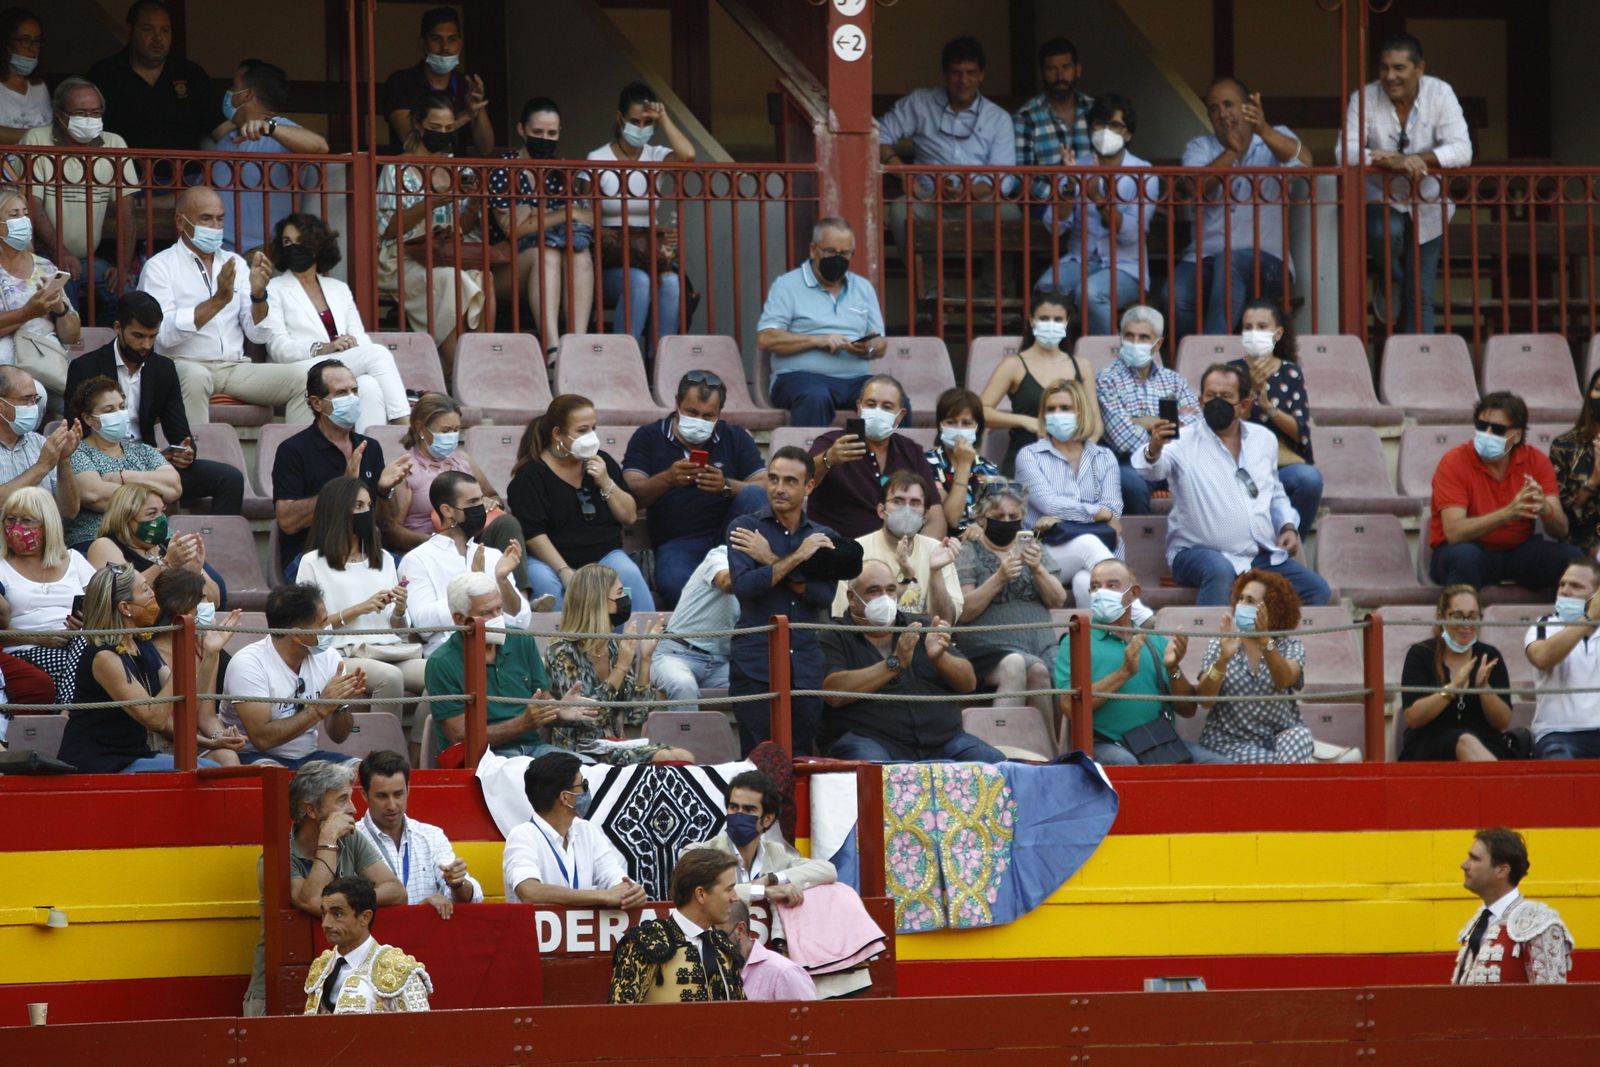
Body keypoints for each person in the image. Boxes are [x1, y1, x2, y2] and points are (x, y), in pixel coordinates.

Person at [1136, 362, 1329, 608]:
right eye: (1210, 395)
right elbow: (1150, 469)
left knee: (1316, 590)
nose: (1217, 401)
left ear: (1244, 405)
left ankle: (1274, 646)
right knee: (1219, 569)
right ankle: (1212, 645)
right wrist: (1154, 448)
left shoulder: (1264, 439)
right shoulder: (1182, 442)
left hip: (1256, 557)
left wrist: (1288, 526)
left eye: (1226, 396)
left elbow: (1275, 493)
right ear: (1200, 401)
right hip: (1196, 554)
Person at [242, 759, 405, 1016]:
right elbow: (313, 901)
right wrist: (327, 840)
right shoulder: (276, 860)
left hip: (344, 982)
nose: (352, 809)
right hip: (278, 991)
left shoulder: (351, 839)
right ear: (310, 809)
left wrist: (353, 902)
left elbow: (396, 890)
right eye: (341, 800)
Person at [137, 186, 311, 427]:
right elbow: (162, 337)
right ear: (180, 222)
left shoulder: (235, 263)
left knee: (304, 379)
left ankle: (295, 463)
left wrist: (259, 296)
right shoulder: (160, 267)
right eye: (206, 219)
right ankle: (196, 458)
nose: (215, 227)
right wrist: (218, 300)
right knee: (195, 377)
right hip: (182, 364)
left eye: (220, 219)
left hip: (233, 368)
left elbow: (258, 334)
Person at [727, 446, 859, 755]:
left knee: (800, 761)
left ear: (809, 486)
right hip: (755, 664)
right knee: (757, 762)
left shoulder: (824, 537)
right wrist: (799, 557)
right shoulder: (745, 528)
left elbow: (822, 596)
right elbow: (745, 587)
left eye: (789, 481)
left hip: (805, 666)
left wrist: (771, 560)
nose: (779, 488)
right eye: (773, 479)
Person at [1339, 33, 1471, 334]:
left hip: (1427, 204)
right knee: (1384, 230)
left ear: (1419, 68)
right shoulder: (1364, 97)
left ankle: (1420, 373)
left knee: (1421, 297)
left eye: (1399, 68)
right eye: (1384, 68)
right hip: (1381, 198)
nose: (1390, 76)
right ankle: (1393, 280)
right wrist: (1389, 160)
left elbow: (1463, 150)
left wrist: (1414, 158)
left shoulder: (1440, 93)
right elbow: (1344, 151)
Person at [66, 292, 245, 514]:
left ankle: (221, 548)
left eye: (153, 337)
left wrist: (185, 452)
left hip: (149, 460)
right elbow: (75, 431)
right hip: (100, 464)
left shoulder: (163, 369)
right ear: (118, 327)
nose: (146, 345)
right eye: (138, 336)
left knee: (230, 479)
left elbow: (179, 433)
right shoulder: (85, 367)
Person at [820, 558, 1000, 763]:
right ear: (852, 598)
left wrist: (940, 658)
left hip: (942, 741)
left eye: (890, 590)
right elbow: (832, 692)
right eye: (874, 591)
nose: (885, 598)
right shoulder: (834, 635)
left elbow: (968, 683)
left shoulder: (921, 626)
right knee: (876, 770)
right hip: (872, 740)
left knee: (993, 763)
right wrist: (894, 663)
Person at [56, 562, 230, 773]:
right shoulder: (105, 656)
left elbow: (187, 703)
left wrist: (211, 654)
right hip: (102, 762)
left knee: (214, 768)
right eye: (146, 589)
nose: (153, 595)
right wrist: (183, 656)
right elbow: (154, 719)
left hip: (134, 755)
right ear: (125, 607)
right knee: (207, 773)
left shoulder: (141, 644)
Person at [1170, 78, 1311, 338]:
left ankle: (1212, 353)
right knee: (1175, 294)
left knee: (1230, 264)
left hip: (1267, 260)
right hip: (1205, 257)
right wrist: (1232, 154)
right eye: (1214, 108)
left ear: (1247, 107)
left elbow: (1305, 164)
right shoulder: (1200, 147)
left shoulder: (1276, 136)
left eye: (1228, 105)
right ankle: (1190, 355)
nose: (1222, 114)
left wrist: (1263, 129)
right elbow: (1195, 188)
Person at [1054, 558, 1227, 765]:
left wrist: (1173, 669)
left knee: (1217, 764)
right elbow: (1069, 707)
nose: (1101, 592)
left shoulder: (1155, 641)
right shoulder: (1076, 641)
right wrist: (1123, 673)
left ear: (1134, 593)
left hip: (1156, 743)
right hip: (1104, 744)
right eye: (1095, 587)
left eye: (1112, 586)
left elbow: (1187, 710)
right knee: (1127, 765)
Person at [878, 35, 1018, 287]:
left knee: (1009, 214)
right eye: (956, 72)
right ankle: (928, 291)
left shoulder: (998, 118)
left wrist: (969, 191)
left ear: (982, 75)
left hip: (979, 202)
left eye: (970, 72)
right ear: (945, 74)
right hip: (928, 199)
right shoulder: (920, 103)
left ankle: (996, 296)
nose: (963, 80)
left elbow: (1005, 181)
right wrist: (904, 175)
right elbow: (878, 136)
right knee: (900, 211)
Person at [622, 370, 767, 607]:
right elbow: (629, 492)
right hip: (678, 542)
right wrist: (668, 478)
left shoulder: (735, 437)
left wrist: (727, 486)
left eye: (708, 416)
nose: (699, 420)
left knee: (753, 494)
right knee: (674, 584)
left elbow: (766, 486)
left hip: (730, 539)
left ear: (720, 414)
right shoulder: (648, 436)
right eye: (692, 412)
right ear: (677, 403)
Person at [263, 213, 410, 432]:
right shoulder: (274, 288)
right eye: (287, 242)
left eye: (300, 241)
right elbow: (278, 348)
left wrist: (351, 344)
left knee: (369, 385)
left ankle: (367, 458)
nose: (293, 247)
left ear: (317, 246)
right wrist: (323, 348)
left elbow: (360, 337)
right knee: (377, 354)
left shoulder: (338, 288)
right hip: (297, 369)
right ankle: (405, 430)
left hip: (339, 366)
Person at [375, 92, 490, 367]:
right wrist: (430, 203)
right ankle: (455, 370)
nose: (442, 134)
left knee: (483, 277)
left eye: (449, 129)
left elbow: (463, 228)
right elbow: (389, 230)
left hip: (443, 254)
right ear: (418, 124)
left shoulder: (457, 167)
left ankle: (477, 366)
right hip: (401, 259)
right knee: (452, 280)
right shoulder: (397, 168)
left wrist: (474, 203)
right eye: (435, 128)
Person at [508, 393, 652, 611]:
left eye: (594, 428)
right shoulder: (530, 476)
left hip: (604, 556)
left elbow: (629, 515)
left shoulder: (602, 461)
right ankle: (561, 644)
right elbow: (534, 534)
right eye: (582, 430)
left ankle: (642, 643)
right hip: (550, 561)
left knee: (629, 574)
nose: (591, 436)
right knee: (547, 585)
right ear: (558, 434)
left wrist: (605, 482)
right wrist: (564, 571)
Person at [272, 359, 412, 577]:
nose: (352, 399)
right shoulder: (293, 450)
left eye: (354, 391)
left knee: (415, 576)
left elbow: (385, 523)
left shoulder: (370, 448)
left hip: (365, 554)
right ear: (317, 403)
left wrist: (383, 490)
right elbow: (288, 522)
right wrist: (343, 486)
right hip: (312, 558)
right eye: (341, 393)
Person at [1429, 391, 1580, 592]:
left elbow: (1560, 530)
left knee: (1573, 560)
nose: (1487, 434)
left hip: (1518, 551)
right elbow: (1454, 533)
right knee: (1464, 557)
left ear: (1516, 435)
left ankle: (1567, 622)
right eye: (1482, 426)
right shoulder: (1454, 461)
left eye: (1497, 429)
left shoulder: (1536, 461)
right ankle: (1460, 622)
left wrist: (1545, 509)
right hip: (1466, 549)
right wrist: (1509, 513)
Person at [294, 477, 421, 715]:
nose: (365, 512)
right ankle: (386, 748)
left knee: (440, 674)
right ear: (337, 511)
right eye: (358, 506)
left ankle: (417, 748)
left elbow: (400, 630)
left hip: (390, 650)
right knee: (390, 678)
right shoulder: (312, 563)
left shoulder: (383, 559)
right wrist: (360, 608)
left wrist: (399, 610)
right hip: (344, 653)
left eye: (368, 506)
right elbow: (308, 629)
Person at [545, 563, 693, 764]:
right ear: (599, 602)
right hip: (579, 747)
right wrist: (621, 667)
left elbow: (637, 714)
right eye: (620, 593)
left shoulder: (614, 645)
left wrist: (645, 660)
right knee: (666, 758)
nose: (626, 599)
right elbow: (589, 717)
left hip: (615, 744)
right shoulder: (562, 649)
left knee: (684, 756)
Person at [17, 76, 137, 323]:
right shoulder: (36, 139)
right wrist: (60, 252)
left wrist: (123, 266)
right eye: (81, 113)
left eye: (95, 113)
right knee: (65, 296)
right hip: (45, 255)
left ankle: (103, 352)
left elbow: (127, 211)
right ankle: (71, 356)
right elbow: (32, 204)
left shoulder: (114, 144)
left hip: (88, 259)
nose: (89, 119)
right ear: (59, 114)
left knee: (127, 298)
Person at [424, 571, 581, 758]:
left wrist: (560, 711)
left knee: (585, 769)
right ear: (460, 619)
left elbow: (543, 701)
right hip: (483, 759)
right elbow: (460, 737)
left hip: (534, 751)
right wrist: (522, 724)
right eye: (486, 613)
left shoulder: (521, 640)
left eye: (499, 609)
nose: (498, 617)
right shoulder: (442, 663)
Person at [1037, 93, 1157, 336]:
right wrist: (1069, 187)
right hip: (1080, 260)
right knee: (1046, 289)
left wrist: (1099, 199)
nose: (1106, 131)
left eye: (1115, 125)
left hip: (1126, 267)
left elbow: (1132, 235)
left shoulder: (1144, 174)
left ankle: (1108, 359)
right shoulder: (1076, 167)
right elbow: (1054, 226)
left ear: (1128, 133)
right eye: (1100, 124)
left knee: (1090, 293)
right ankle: (1056, 364)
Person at [587, 81, 696, 347]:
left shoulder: (655, 156)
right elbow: (587, 217)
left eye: (648, 123)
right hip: (610, 260)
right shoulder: (597, 159)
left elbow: (688, 155)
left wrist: (664, 117)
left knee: (671, 284)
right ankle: (626, 361)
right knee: (638, 281)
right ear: (620, 118)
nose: (642, 129)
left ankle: (661, 364)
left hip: (647, 256)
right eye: (635, 121)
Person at [489, 96, 595, 357]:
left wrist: (540, 216)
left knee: (579, 251)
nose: (544, 139)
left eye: (551, 133)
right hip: (503, 266)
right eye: (537, 132)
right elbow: (514, 228)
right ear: (521, 130)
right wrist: (565, 212)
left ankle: (577, 346)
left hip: (553, 267)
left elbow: (589, 218)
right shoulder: (505, 168)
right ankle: (552, 349)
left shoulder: (561, 171)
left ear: (560, 133)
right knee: (546, 252)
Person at [756, 217, 888, 427]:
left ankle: (891, 459)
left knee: (891, 398)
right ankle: (812, 459)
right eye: (830, 251)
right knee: (815, 396)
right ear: (813, 250)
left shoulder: (863, 288)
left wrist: (867, 348)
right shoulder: (787, 285)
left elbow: (881, 342)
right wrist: (818, 341)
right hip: (800, 378)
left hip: (856, 379)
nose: (838, 259)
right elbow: (766, 338)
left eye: (845, 254)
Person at [221, 582, 370, 768]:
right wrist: (320, 708)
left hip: (309, 757)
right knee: (273, 775)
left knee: (362, 772)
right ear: (298, 636)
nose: (329, 627)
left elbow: (339, 736)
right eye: (323, 622)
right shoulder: (248, 664)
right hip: (254, 756)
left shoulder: (330, 658)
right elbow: (262, 739)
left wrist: (340, 705)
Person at [955, 481, 1067, 724]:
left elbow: (1058, 598)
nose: (1006, 521)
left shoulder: (1034, 548)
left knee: (1067, 668)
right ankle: (1044, 748)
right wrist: (1000, 577)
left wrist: (1037, 569)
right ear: (982, 518)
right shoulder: (968, 550)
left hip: (1044, 645)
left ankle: (1072, 746)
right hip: (992, 646)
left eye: (1013, 516)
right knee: (1036, 670)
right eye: (998, 516)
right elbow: (965, 611)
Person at [1014, 377, 1126, 608]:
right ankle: (1137, 616)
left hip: (1101, 548)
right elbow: (1050, 505)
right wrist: (1097, 513)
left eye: (1065, 408)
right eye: (1051, 409)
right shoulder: (1029, 456)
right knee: (1086, 542)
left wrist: (1065, 517)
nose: (1057, 414)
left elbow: (1113, 509)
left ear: (1081, 412)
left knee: (1086, 583)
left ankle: (1096, 642)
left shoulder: (1104, 457)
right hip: (1042, 552)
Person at [399, 471, 529, 658]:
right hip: (451, 655)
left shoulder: (492, 555)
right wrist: (473, 583)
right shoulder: (418, 559)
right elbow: (423, 624)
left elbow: (521, 619)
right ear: (447, 510)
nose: (480, 508)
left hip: (501, 652)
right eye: (472, 503)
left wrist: (503, 581)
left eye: (480, 501)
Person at [208, 59, 330, 256]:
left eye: (234, 87)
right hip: (218, 254)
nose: (228, 93)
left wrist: (270, 128)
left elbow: (320, 147)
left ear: (246, 95)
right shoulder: (224, 142)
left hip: (267, 254)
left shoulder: (280, 132)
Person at [1193, 568, 1313, 764]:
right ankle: (1287, 787)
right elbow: (1205, 700)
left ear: (1272, 608)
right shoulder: (1221, 643)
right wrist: (1223, 659)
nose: (1241, 605)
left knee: (1300, 735)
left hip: (1277, 740)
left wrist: (1264, 639)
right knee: (1280, 766)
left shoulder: (1291, 645)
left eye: (1249, 601)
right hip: (1228, 743)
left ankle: (1284, 785)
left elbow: (1283, 679)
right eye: (1240, 599)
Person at [806, 375, 944, 542]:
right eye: (871, 405)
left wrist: (919, 555)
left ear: (900, 415)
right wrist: (829, 459)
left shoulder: (911, 452)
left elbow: (935, 517)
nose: (877, 412)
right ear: (859, 407)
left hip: (898, 556)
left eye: (887, 407)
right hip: (838, 554)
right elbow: (802, 483)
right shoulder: (830, 443)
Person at [502, 750, 648, 907]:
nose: (587, 790)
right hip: (534, 931)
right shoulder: (523, 836)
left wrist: (632, 892)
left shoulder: (586, 830)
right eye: (583, 785)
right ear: (565, 797)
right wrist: (601, 896)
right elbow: (531, 892)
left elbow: (616, 879)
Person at [1229, 298, 1321, 534]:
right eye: (1248, 328)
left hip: (1283, 464)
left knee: (1309, 479)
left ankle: (1293, 544)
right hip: (1240, 464)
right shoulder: (1230, 372)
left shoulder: (1290, 372)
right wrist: (1250, 391)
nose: (1254, 333)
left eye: (1262, 327)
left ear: (1277, 334)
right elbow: (1226, 425)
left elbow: (1300, 432)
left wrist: (1269, 407)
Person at [684, 771, 837, 911]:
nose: (739, 815)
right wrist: (764, 890)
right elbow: (712, 894)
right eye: (733, 807)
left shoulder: (776, 853)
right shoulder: (701, 853)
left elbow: (827, 870)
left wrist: (772, 879)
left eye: (749, 810)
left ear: (767, 819)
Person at [1097, 304, 1199, 515]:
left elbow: (1195, 423)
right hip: (1132, 464)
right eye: (1129, 336)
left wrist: (1142, 421)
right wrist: (1166, 428)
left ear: (1158, 343)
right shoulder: (1106, 380)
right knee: (1128, 483)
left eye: (1143, 338)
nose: (1135, 343)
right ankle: (1138, 547)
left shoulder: (1174, 381)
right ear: (1120, 338)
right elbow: (1122, 438)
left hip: (1174, 460)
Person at [608, 849, 745, 1004]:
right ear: (701, 894)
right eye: (729, 889)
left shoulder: (723, 947)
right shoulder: (646, 943)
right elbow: (620, 1017)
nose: (735, 897)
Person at [386, 393, 518, 554]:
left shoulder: (463, 461)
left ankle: (512, 579)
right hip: (429, 549)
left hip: (473, 543)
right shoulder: (406, 470)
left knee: (507, 524)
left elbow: (494, 496)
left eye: (456, 430)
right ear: (421, 428)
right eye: (445, 430)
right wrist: (436, 541)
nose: (452, 436)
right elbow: (392, 531)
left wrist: (490, 502)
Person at [356, 750, 482, 916]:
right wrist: (418, 911)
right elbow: (349, 905)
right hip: (376, 938)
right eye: (382, 796)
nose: (392, 805)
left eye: (398, 794)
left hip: (427, 938)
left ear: (408, 789)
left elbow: (473, 897)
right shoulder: (351, 838)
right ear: (364, 794)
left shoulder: (431, 835)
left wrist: (457, 883)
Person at [979, 292, 1090, 476]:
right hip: (1024, 461)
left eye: (1057, 319)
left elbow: (1094, 420)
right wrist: (1024, 421)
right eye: (1044, 318)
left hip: (1073, 462)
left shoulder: (1082, 366)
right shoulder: (1013, 365)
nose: (1050, 324)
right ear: (1031, 321)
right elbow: (980, 411)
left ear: (1067, 322)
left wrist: (1083, 459)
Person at [1399, 584, 1514, 762]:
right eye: (1458, 616)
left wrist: (1483, 688)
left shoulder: (1489, 656)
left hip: (1485, 744)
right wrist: (1452, 688)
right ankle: (1502, 789)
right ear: (1441, 617)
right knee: (1464, 741)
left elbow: (1503, 721)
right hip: (1429, 747)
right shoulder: (1420, 654)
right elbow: (1413, 717)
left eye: (1473, 616)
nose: (1466, 624)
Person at [828, 471, 963, 622]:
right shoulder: (855, 551)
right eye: (897, 501)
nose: (906, 509)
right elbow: (843, 619)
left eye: (915, 503)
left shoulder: (937, 552)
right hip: (867, 643)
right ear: (881, 511)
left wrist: (935, 572)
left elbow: (945, 622)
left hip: (924, 642)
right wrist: (905, 577)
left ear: (924, 516)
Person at [65, 375, 180, 547]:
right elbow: (95, 496)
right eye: (109, 410)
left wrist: (122, 476)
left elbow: (174, 487)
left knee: (200, 571)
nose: (118, 414)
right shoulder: (77, 452)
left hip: (156, 538)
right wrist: (153, 493)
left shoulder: (143, 450)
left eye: (122, 407)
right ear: (88, 418)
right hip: (100, 540)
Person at [85, 1, 217, 150]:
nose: (158, 38)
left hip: (187, 171)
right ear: (130, 31)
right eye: (148, 29)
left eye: (165, 30)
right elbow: (88, 134)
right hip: (124, 170)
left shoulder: (191, 73)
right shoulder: (105, 74)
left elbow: (219, 128)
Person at [0, 485, 94, 696]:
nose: (16, 528)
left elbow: (103, 606)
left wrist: (87, 620)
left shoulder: (74, 560)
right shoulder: (1, 567)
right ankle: (67, 713)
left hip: (77, 642)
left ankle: (66, 714)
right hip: (25, 649)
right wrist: (40, 638)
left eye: (26, 521)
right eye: (10, 519)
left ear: (48, 525)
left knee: (89, 648)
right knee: (89, 668)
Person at [1451, 828, 1572, 985]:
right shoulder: (1479, 919)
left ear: (1502, 870)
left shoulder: (1539, 924)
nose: (1464, 865)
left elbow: (1550, 1001)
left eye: (1474, 859)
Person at [149, 565, 243, 765]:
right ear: (178, 605)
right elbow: (170, 721)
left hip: (196, 745)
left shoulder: (205, 646)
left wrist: (222, 736)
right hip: (161, 747)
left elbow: (205, 716)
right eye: (202, 599)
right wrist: (211, 743)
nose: (208, 605)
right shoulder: (150, 651)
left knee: (228, 756)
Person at [304, 875, 433, 1014]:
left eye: (338, 914)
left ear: (365, 917)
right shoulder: (321, 967)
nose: (326, 924)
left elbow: (419, 1031)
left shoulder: (399, 970)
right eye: (324, 913)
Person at [85, 483, 223, 607]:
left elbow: (215, 602)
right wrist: (166, 564)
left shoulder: (168, 547)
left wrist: (196, 572)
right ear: (125, 518)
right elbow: (121, 594)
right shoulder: (105, 546)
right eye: (152, 513)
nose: (160, 519)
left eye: (162, 511)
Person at [381, 5, 492, 155]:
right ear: (423, 44)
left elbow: (486, 149)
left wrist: (478, 109)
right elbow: (412, 144)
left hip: (455, 175)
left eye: (452, 39)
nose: (445, 47)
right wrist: (465, 116)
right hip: (409, 174)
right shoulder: (401, 82)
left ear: (460, 43)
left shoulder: (466, 85)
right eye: (436, 39)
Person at [0, 187, 79, 396]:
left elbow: (72, 335)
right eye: (14, 214)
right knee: (37, 396)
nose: (23, 220)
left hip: (48, 366)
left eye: (25, 213)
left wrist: (59, 309)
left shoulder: (46, 267)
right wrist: (29, 312)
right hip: (7, 372)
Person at [1525, 559, 1600, 760]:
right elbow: (1541, 657)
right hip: (1558, 735)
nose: (1565, 591)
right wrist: (1588, 620)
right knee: (1559, 760)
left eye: (1575, 586)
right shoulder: (1545, 624)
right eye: (1562, 584)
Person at [651, 544, 735, 710]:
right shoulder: (720, 555)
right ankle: (688, 738)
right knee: (683, 685)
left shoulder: (772, 576)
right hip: (677, 654)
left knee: (759, 683)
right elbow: (726, 582)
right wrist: (766, 565)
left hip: (721, 663)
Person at [0, 365, 78, 519]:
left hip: (46, 540)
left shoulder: (42, 444)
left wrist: (63, 461)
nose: (34, 407)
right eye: (26, 400)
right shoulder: (46, 455)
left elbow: (70, 512)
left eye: (35, 399)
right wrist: (42, 467)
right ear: (1, 406)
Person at [925, 387, 1001, 534]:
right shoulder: (926, 463)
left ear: (977, 428)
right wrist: (964, 465)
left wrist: (980, 529)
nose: (959, 430)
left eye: (966, 423)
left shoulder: (988, 469)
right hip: (942, 545)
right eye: (951, 422)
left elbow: (995, 519)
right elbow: (951, 519)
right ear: (940, 425)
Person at [1012, 36, 1094, 168]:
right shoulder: (1025, 119)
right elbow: (1022, 178)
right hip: (1050, 189)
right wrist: (1064, 188)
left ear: (1078, 70)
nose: (1060, 76)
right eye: (1051, 69)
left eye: (1066, 67)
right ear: (1041, 74)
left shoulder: (1094, 109)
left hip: (1095, 189)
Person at [716, 899, 816, 1001]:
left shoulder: (784, 973)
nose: (711, 942)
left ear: (740, 930)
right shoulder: (711, 972)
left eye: (718, 936)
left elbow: (810, 1016)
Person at [1546, 367, 1600, 554]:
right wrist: (1593, 480)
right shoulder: (1564, 446)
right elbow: (1564, 521)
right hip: (1582, 541)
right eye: (1598, 389)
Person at [0, 8, 49, 143]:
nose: (33, 48)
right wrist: (38, 137)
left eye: (37, 41)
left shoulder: (39, 86)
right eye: (25, 41)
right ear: (6, 43)